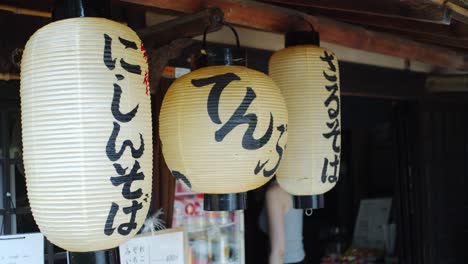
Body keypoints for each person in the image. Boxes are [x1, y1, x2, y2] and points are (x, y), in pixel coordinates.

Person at [259, 178, 307, 264]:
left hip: (283, 261)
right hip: (298, 257)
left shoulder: (275, 192)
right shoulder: (293, 184)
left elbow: (278, 251)